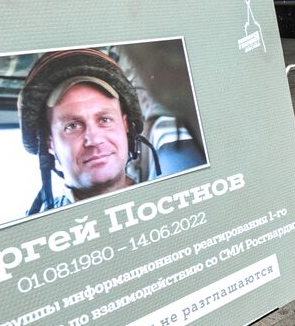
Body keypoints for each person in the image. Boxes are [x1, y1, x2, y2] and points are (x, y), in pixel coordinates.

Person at [17, 47, 202, 212]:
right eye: (72, 126)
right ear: (50, 143)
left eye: (105, 120)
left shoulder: (179, 205)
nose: (94, 139)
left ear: (126, 126)